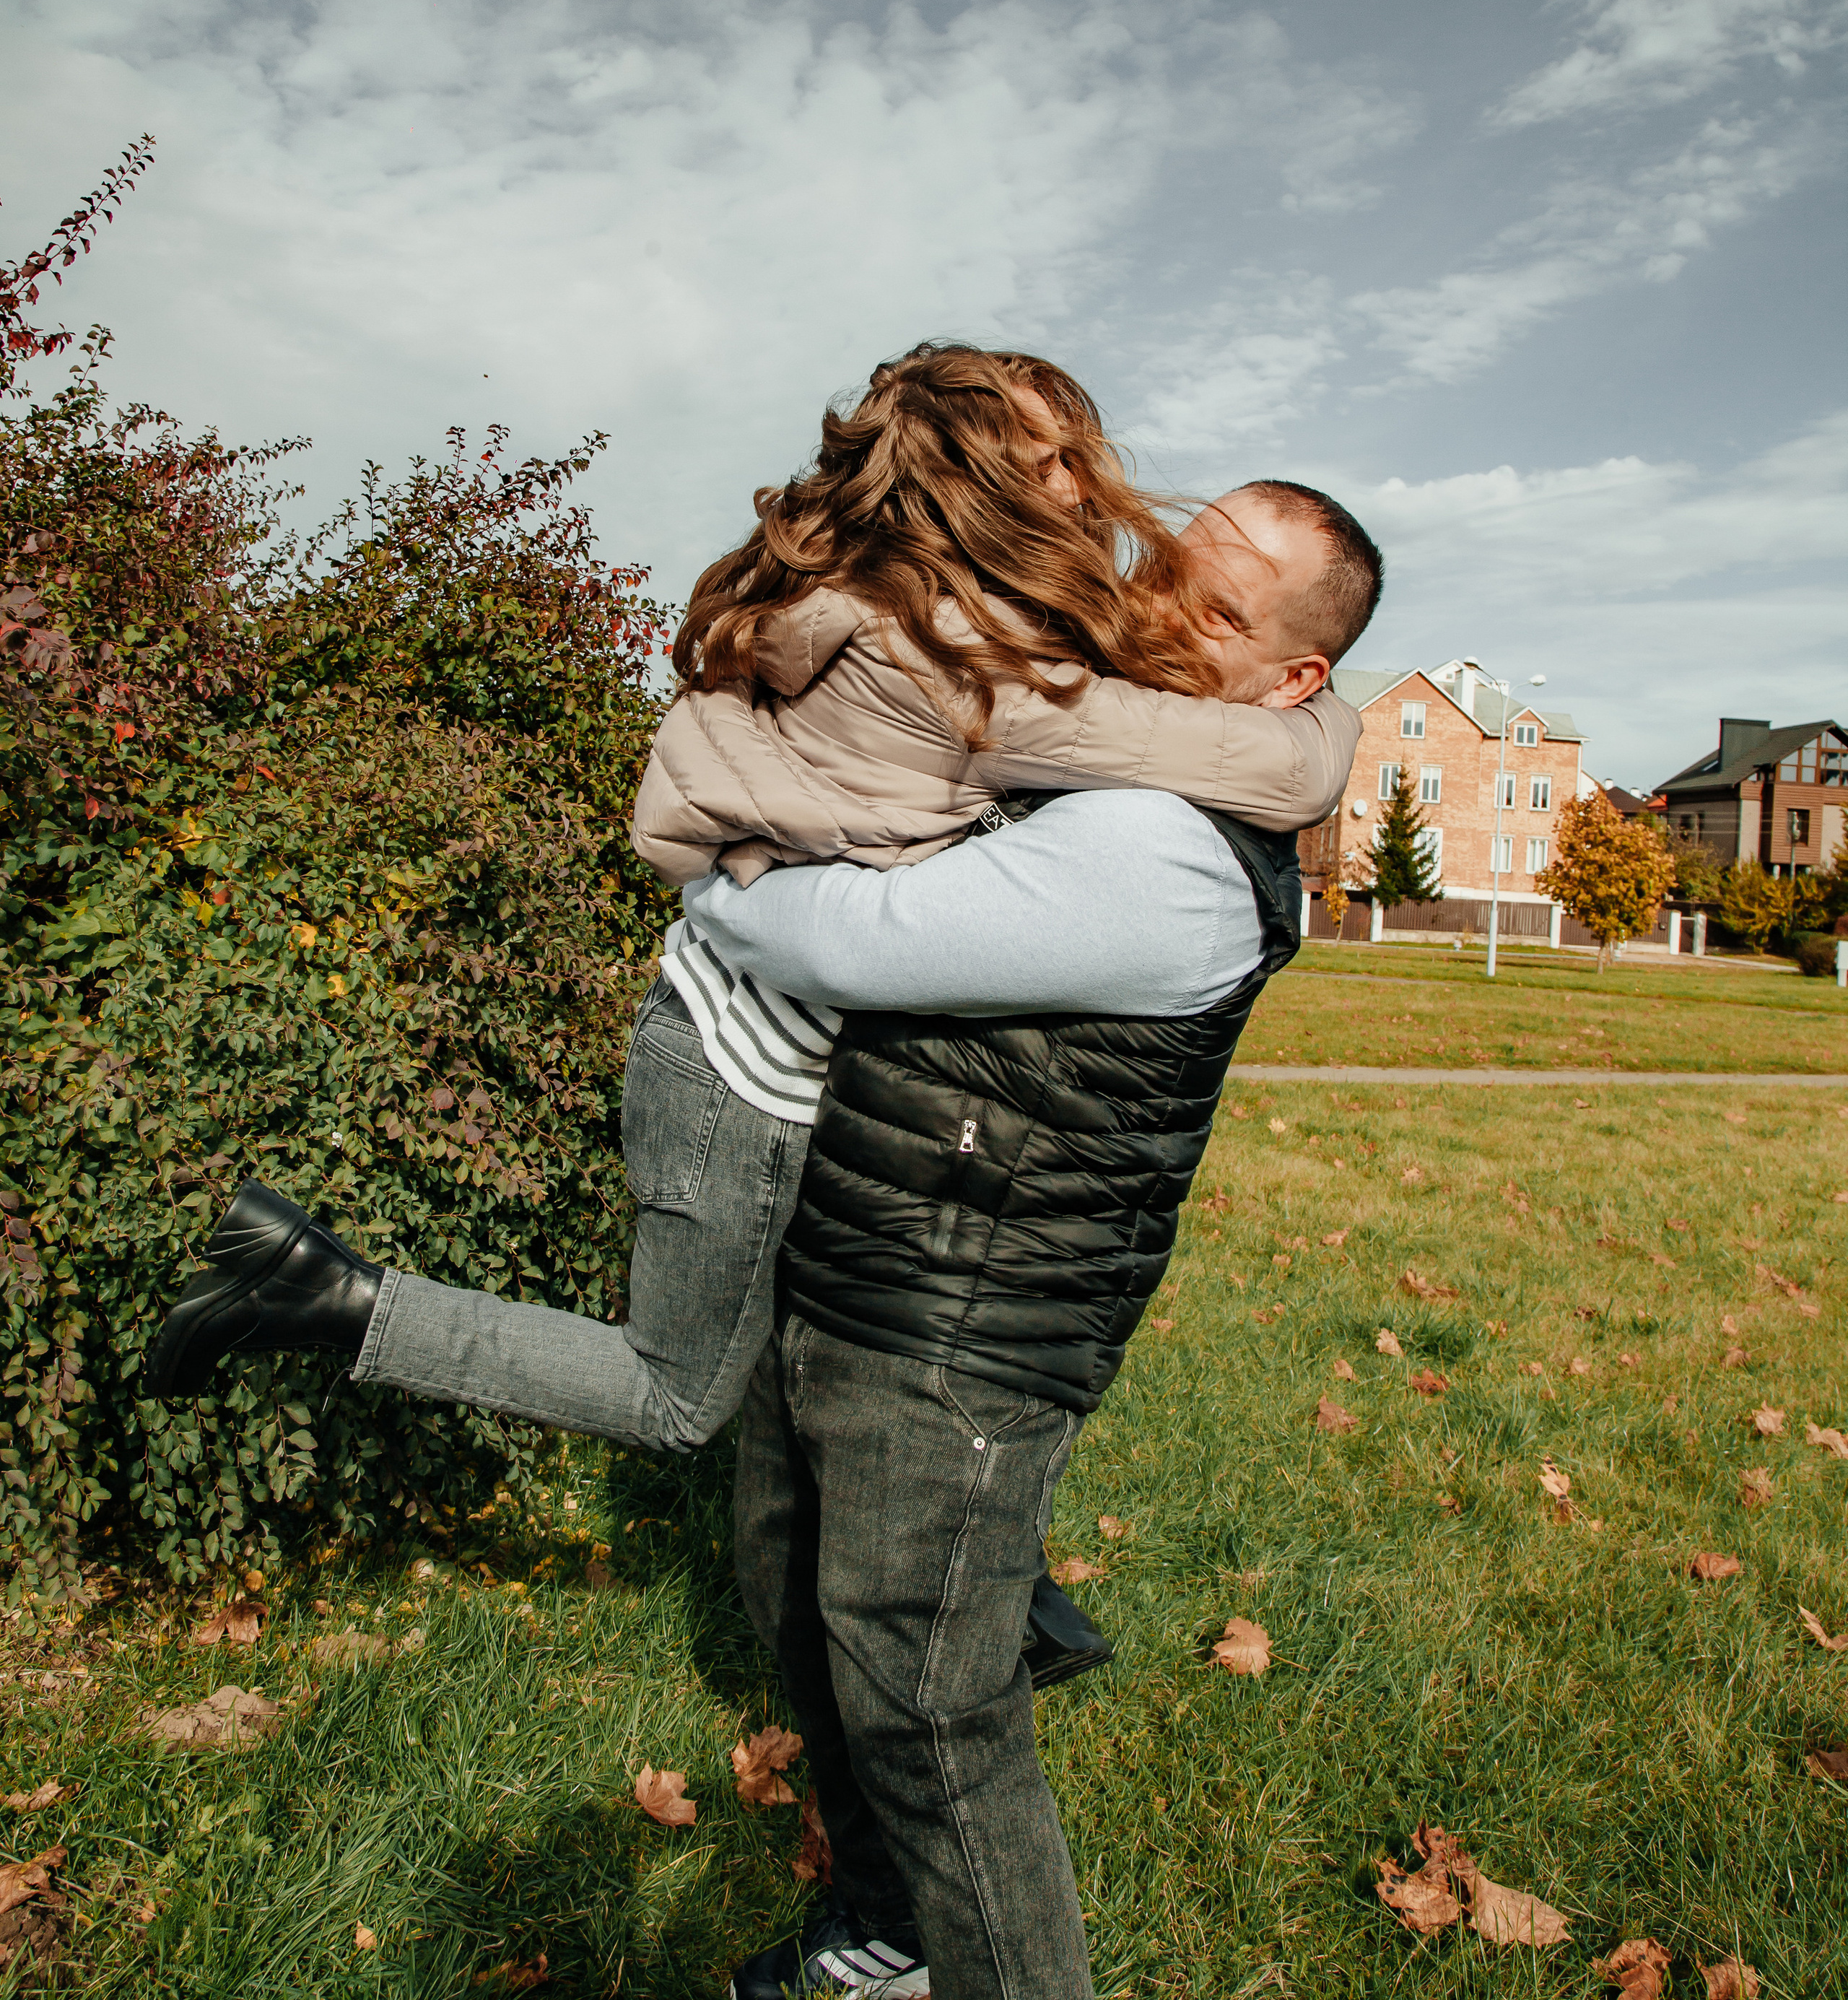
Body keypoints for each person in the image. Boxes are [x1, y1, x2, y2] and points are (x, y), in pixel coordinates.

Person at [144, 347, 1356, 1690]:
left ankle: (971, 1593)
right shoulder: (957, 662)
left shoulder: (928, 602)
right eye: (1046, 458)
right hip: (740, 1072)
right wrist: (1328, 737)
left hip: (751, 1051)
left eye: (1078, 449)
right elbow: (1231, 754)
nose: (1087, 494)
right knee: (679, 1395)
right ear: (964, 480)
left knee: (842, 1371)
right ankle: (318, 1293)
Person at [689, 478, 1383, 2000]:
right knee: (794, 1608)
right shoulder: (1139, 754)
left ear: (1288, 685)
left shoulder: (1158, 847)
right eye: (1172, 563)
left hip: (960, 1343)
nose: (1163, 605)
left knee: (936, 1724)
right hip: (849, 1270)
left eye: (1220, 614)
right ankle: (878, 1915)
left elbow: (846, 940)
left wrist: (723, 868)